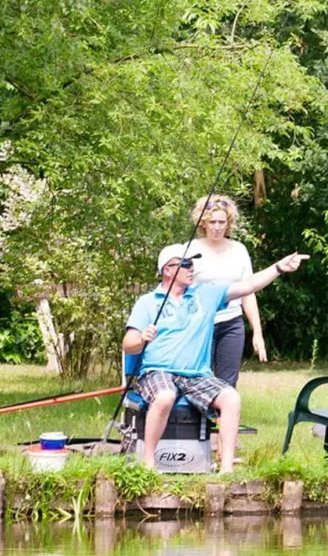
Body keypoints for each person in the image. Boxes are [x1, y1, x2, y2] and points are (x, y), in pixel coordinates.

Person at [124, 248, 307, 473]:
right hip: (158, 371)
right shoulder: (148, 302)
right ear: (168, 270)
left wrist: (279, 268)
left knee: (231, 398)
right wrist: (141, 338)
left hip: (197, 375)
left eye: (193, 264)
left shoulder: (205, 294)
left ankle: (226, 469)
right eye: (186, 264)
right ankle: (149, 464)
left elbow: (248, 286)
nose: (192, 269)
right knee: (164, 396)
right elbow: (128, 343)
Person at [179, 194, 266, 386]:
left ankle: (224, 417)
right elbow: (179, 289)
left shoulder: (239, 250)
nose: (217, 227)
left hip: (232, 324)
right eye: (212, 222)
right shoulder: (190, 248)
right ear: (203, 223)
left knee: (227, 385)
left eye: (221, 222)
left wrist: (257, 333)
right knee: (199, 381)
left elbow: (248, 292)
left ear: (229, 223)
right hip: (200, 323)